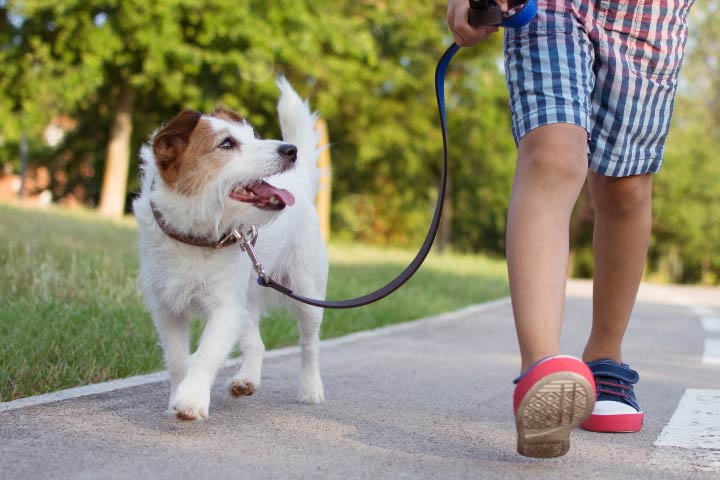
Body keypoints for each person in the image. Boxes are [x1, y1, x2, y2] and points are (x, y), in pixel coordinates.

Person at [446, 0, 695, 458]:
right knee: (553, 154)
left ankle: (605, 358)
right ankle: (542, 370)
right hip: (550, 8)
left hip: (650, 16)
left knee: (626, 186)